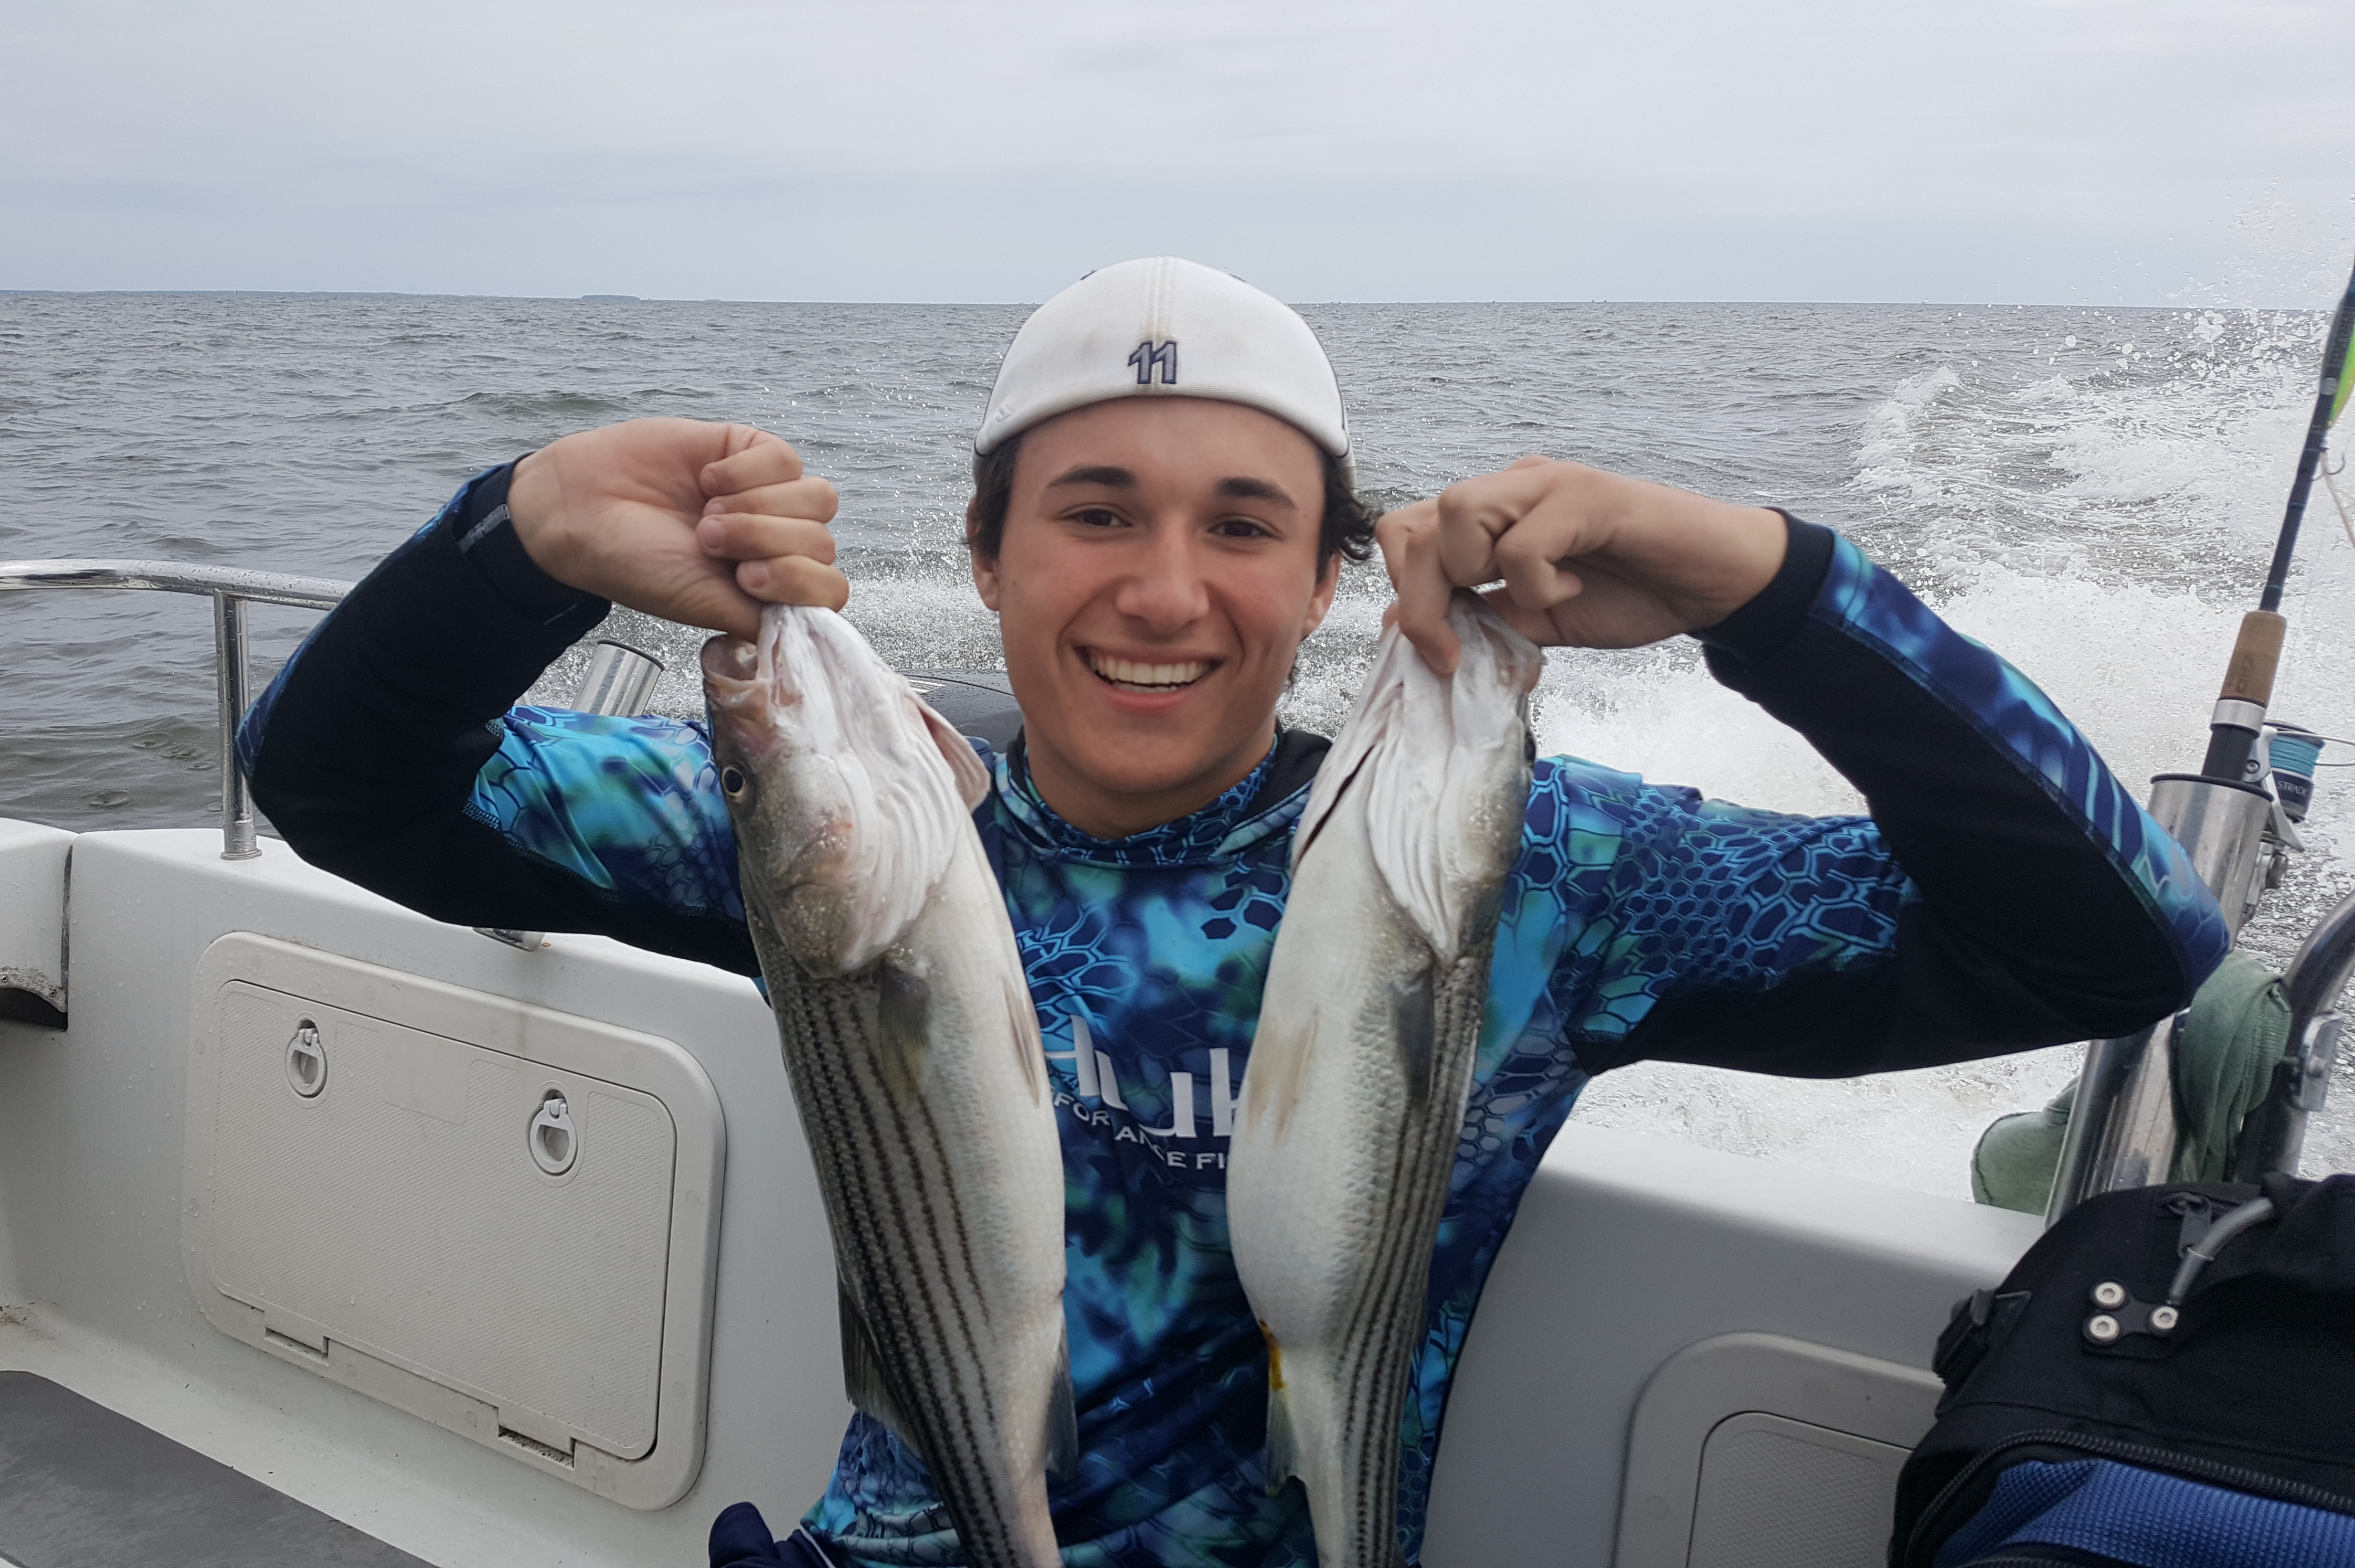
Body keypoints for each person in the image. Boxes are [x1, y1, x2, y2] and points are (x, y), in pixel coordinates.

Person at [239, 257, 2229, 1568]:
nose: (1166, 591)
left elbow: (2120, 941)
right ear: (988, 556)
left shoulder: (1541, 875)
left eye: (1244, 525)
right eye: (1096, 510)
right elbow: (342, 781)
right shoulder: (814, 828)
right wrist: (516, 537)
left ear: (1335, 579)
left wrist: (1764, 583)